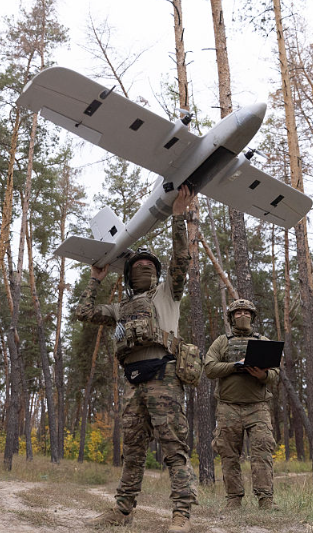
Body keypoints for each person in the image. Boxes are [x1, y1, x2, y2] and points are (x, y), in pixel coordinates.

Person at [76, 185, 197, 533]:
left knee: (174, 448)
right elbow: (83, 312)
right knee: (132, 451)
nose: (143, 267)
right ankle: (122, 511)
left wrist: (178, 217)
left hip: (164, 378)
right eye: (137, 265)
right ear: (128, 275)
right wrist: (95, 279)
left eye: (148, 265)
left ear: (157, 273)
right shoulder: (121, 308)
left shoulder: (168, 293)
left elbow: (181, 259)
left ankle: (181, 515)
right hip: (133, 384)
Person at [204, 298, 279, 510]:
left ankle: (265, 499)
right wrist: (235, 366)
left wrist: (263, 375)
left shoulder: (263, 341)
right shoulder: (221, 342)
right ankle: (234, 499)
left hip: (258, 407)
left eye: (247, 312)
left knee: (262, 451)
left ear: (252, 317)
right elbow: (209, 368)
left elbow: (275, 374)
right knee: (228, 454)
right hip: (228, 407)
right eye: (238, 313)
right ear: (231, 317)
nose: (242, 315)